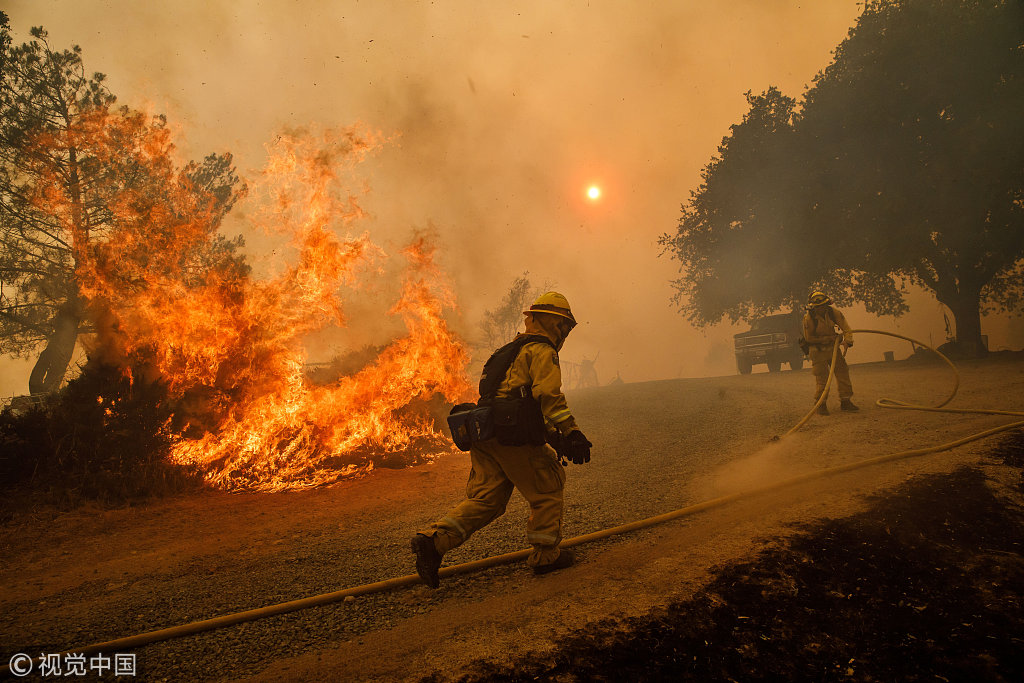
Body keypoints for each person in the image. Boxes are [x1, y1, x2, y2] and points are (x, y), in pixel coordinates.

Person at [411, 291, 592, 588]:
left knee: (486, 500)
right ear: (548, 321)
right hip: (512, 437)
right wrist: (571, 432)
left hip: (486, 433)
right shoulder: (542, 351)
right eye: (562, 325)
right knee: (547, 487)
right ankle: (546, 556)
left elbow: (515, 398)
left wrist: (555, 438)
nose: (563, 332)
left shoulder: (509, 350)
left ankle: (434, 541)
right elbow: (547, 397)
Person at [802, 291, 858, 415]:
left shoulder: (833, 313)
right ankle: (821, 404)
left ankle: (846, 401)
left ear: (826, 304)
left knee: (842, 371)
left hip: (833, 349)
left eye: (823, 305)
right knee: (822, 378)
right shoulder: (808, 319)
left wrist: (847, 341)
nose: (820, 309)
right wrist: (827, 339)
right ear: (813, 307)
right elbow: (809, 339)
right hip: (817, 351)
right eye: (818, 307)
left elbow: (846, 328)